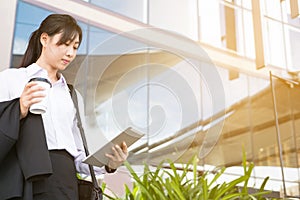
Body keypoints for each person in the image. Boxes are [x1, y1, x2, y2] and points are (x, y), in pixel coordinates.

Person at [0, 14, 128, 200]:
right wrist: (19, 108)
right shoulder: (12, 79)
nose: (70, 53)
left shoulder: (72, 95)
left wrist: (109, 163)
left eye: (75, 47)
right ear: (45, 39)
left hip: (65, 182)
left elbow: (78, 155)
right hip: (26, 178)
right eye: (65, 44)